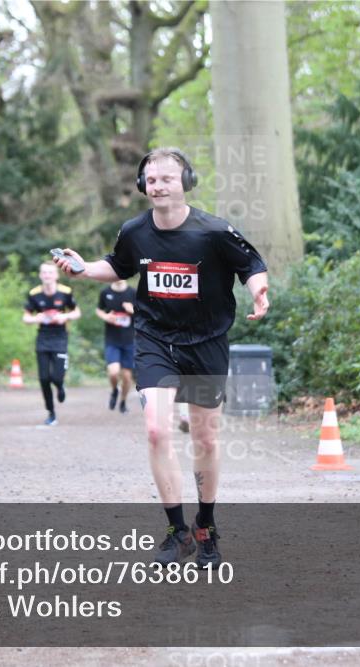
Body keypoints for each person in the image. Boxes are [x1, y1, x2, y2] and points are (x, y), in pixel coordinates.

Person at [54, 147, 269, 569]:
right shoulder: (135, 231)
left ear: (185, 182)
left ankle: (205, 526)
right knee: (156, 431)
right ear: (142, 186)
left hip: (206, 341)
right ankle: (177, 532)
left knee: (205, 439)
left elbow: (251, 263)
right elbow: (118, 266)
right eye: (151, 180)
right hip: (155, 339)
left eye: (167, 179)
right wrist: (83, 268)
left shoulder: (214, 231)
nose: (158, 187)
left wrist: (259, 290)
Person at [23, 262, 81, 426]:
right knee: (43, 378)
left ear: (56, 275)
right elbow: (25, 317)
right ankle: (51, 412)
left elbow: (77, 312)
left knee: (56, 377)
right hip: (43, 337)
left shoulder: (65, 292)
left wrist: (65, 317)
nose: (47, 276)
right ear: (41, 276)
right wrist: (35, 318)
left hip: (60, 337)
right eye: (44, 273)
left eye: (50, 273)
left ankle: (60, 385)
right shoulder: (34, 294)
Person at [96, 279, 137, 413]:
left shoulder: (133, 293)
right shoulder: (105, 292)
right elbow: (99, 310)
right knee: (113, 372)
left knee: (126, 377)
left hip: (129, 341)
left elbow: (145, 314)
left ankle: (123, 401)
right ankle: (114, 390)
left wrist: (132, 310)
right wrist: (106, 317)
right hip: (112, 340)